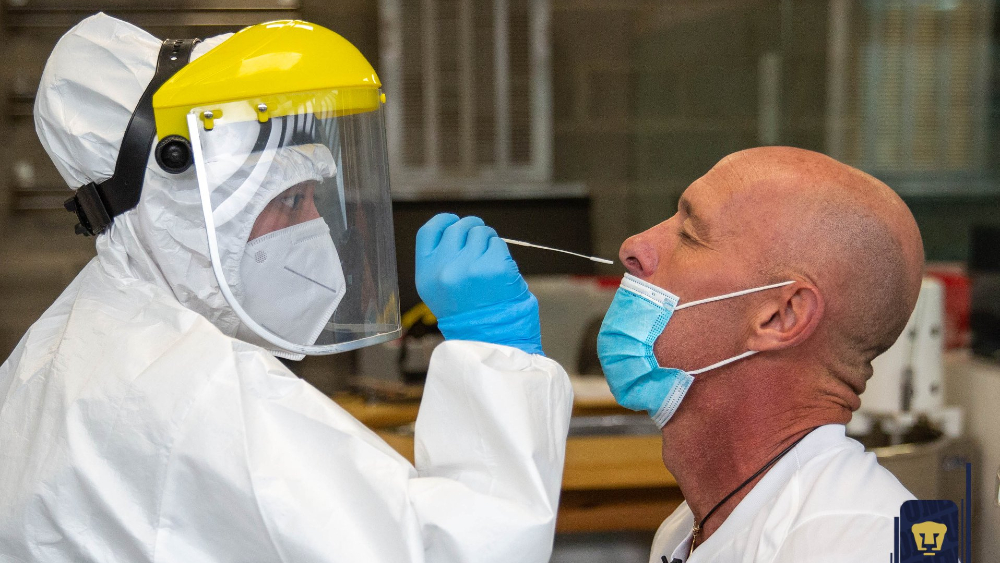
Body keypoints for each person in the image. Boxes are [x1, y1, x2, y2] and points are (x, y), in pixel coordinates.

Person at [0, 14, 572, 562]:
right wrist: (497, 355)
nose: (314, 233)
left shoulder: (67, 345)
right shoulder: (200, 396)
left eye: (312, 201)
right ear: (190, 223)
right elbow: (454, 551)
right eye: (289, 202)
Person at [596, 146, 924, 562]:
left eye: (690, 235)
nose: (634, 246)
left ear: (781, 316)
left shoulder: (863, 540)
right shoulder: (690, 528)